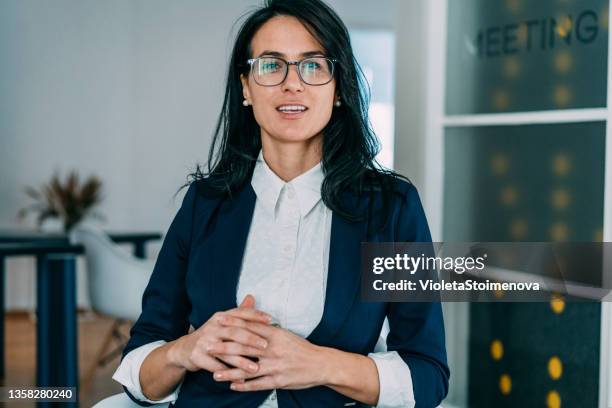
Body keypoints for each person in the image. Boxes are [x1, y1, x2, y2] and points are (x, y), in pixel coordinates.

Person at [112, 0, 449, 406]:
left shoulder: (391, 209)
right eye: (271, 66)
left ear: (339, 88)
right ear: (246, 88)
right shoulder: (205, 204)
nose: (293, 83)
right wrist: (187, 350)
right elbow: (138, 369)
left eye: (313, 65)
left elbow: (428, 375)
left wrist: (319, 364)